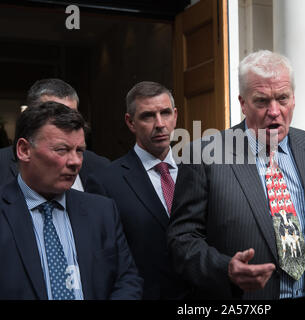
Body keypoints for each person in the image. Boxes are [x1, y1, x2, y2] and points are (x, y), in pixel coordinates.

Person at [167, 50, 305, 300]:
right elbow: (182, 241)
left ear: (294, 99)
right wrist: (226, 269)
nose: (274, 111)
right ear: (243, 103)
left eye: (282, 98)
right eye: (262, 101)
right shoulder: (204, 155)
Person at [0, 102, 143, 299]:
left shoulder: (102, 211)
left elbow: (127, 279)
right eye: (61, 150)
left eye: (79, 151)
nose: (75, 161)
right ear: (24, 150)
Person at [85, 81, 190, 299]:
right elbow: (104, 258)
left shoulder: (198, 170)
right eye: (148, 116)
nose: (160, 123)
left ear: (175, 116)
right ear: (130, 122)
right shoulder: (105, 182)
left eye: (165, 113)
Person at [0, 78, 109, 188]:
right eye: (54, 114)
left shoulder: (101, 167)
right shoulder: (3, 164)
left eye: (71, 116)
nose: (66, 122)